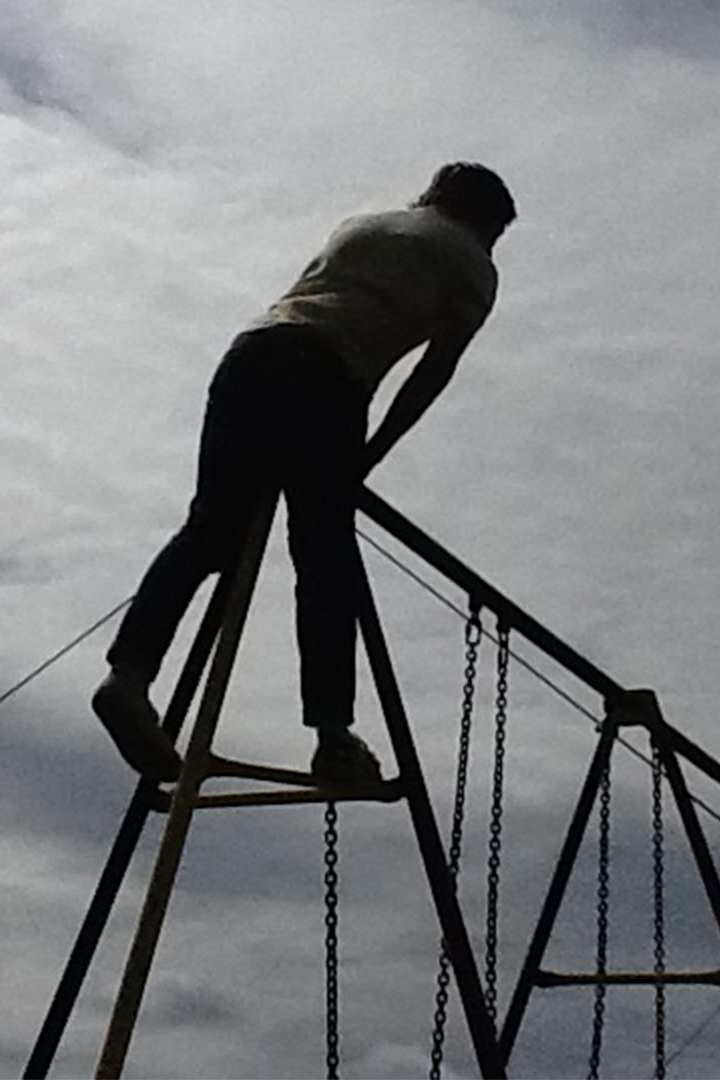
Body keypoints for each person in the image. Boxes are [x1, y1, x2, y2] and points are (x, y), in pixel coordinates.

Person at [92, 162, 517, 785]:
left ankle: (127, 676)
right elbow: (434, 371)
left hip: (252, 353)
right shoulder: (473, 263)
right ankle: (332, 734)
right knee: (323, 554)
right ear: (487, 223)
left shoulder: (365, 223)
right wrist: (372, 452)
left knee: (211, 528)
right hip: (327, 378)